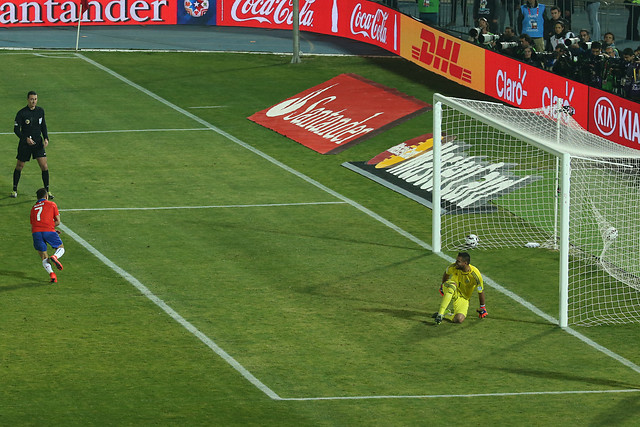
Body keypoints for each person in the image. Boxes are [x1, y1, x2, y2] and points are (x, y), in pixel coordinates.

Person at [12, 91, 53, 199]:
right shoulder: (22, 113)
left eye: (35, 99)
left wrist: (46, 138)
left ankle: (47, 191)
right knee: (20, 166)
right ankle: (14, 190)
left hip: (38, 143)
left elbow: (43, 125)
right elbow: (16, 129)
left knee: (44, 166)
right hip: (25, 144)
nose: (33, 101)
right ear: (27, 100)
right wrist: (25, 139)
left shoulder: (40, 111)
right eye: (31, 99)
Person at [433, 252, 486, 325]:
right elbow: (446, 273)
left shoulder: (475, 275)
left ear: (465, 263)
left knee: (459, 319)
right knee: (453, 285)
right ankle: (440, 314)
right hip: (451, 288)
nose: (456, 263)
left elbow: (480, 291)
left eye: (458, 261)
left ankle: (446, 314)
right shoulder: (453, 267)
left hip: (463, 297)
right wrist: (442, 286)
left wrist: (482, 307)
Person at [30, 187, 65, 283]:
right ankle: (55, 257)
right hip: (48, 230)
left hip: (36, 232)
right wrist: (51, 229)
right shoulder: (52, 204)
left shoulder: (33, 208)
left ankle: (52, 275)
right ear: (46, 196)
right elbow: (57, 221)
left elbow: (34, 224)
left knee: (43, 255)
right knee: (60, 248)